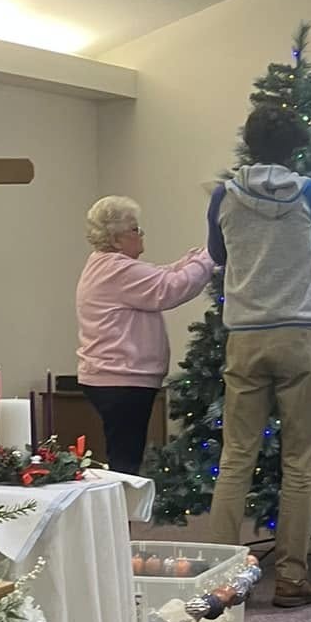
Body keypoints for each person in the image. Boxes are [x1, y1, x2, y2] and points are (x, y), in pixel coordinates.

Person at [206, 103, 311, 608]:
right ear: (296, 146)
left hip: (245, 334)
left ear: (249, 142)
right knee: (299, 463)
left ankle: (220, 580)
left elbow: (218, 255)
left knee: (236, 456)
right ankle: (291, 578)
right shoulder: (307, 192)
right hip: (299, 333)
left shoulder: (224, 193)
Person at [75, 196, 213, 475]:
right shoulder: (117, 269)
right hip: (121, 378)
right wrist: (210, 258)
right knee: (125, 461)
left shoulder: (108, 265)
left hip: (115, 376)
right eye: (135, 230)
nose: (141, 235)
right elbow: (169, 288)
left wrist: (192, 260)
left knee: (125, 453)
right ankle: (121, 515)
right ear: (115, 239)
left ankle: (121, 514)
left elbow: (156, 275)